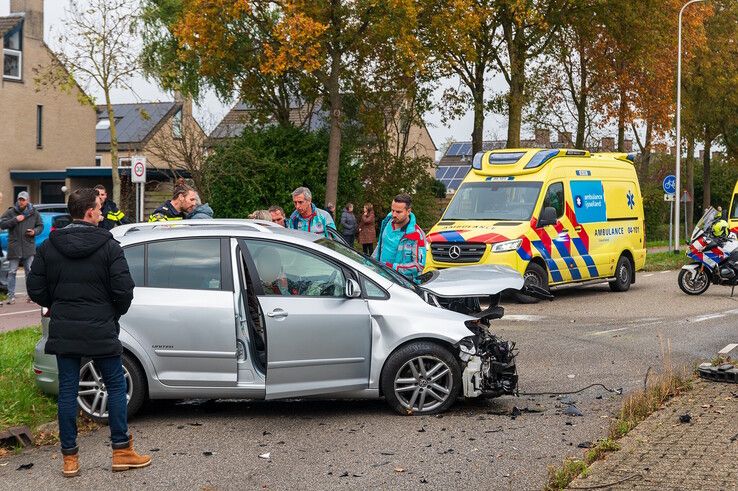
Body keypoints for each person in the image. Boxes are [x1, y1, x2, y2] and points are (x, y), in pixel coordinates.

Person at [27, 188, 150, 477]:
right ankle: (121, 451)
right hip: (101, 326)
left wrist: (56, 305)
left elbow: (35, 289)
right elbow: (124, 290)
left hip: (66, 327)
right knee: (116, 386)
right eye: (99, 207)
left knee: (68, 389)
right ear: (89, 212)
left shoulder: (49, 247)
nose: (103, 212)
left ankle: (70, 459)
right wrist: (112, 313)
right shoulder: (109, 247)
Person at [0, 191, 43, 305]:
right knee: (12, 271)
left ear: (28, 200)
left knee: (30, 272)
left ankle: (31, 296)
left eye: (23, 199)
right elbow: (2, 224)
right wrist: (15, 220)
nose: (21, 201)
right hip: (14, 247)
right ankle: (11, 296)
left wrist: (34, 231)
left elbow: (40, 226)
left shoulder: (34, 213)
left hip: (28, 246)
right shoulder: (11, 212)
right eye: (19, 199)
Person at [373, 194, 427, 284]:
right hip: (382, 278)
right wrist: (370, 264)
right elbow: (380, 245)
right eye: (392, 210)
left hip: (403, 284)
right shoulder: (387, 223)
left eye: (398, 212)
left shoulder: (417, 235)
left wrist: (392, 267)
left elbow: (419, 265)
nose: (394, 214)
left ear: (408, 211)